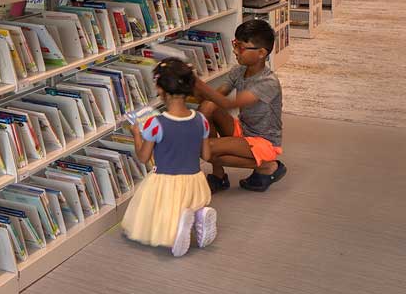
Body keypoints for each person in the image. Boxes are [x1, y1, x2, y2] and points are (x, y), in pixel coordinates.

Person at [122, 58, 218, 257]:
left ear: (160, 89)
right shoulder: (201, 119)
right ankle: (199, 213)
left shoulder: (156, 124)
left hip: (166, 183)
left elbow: (143, 157)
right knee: (188, 203)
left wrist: (136, 134)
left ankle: (176, 232)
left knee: (160, 212)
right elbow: (207, 155)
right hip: (195, 182)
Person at [195, 18, 286, 192]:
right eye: (235, 44)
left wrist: (197, 84)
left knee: (207, 148)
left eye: (241, 47)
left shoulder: (268, 82)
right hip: (243, 130)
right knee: (208, 106)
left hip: (264, 142)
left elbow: (229, 104)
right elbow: (214, 97)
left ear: (261, 53)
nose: (235, 51)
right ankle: (219, 176)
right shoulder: (238, 71)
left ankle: (267, 165)